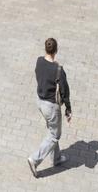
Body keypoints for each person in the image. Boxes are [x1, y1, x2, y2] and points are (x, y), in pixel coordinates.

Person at [27, 37, 72, 177]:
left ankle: (56, 158)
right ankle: (34, 159)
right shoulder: (59, 70)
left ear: (46, 49)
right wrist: (68, 109)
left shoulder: (39, 61)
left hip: (40, 102)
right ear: (56, 50)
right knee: (54, 135)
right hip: (51, 107)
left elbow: (38, 75)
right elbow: (65, 91)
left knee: (52, 128)